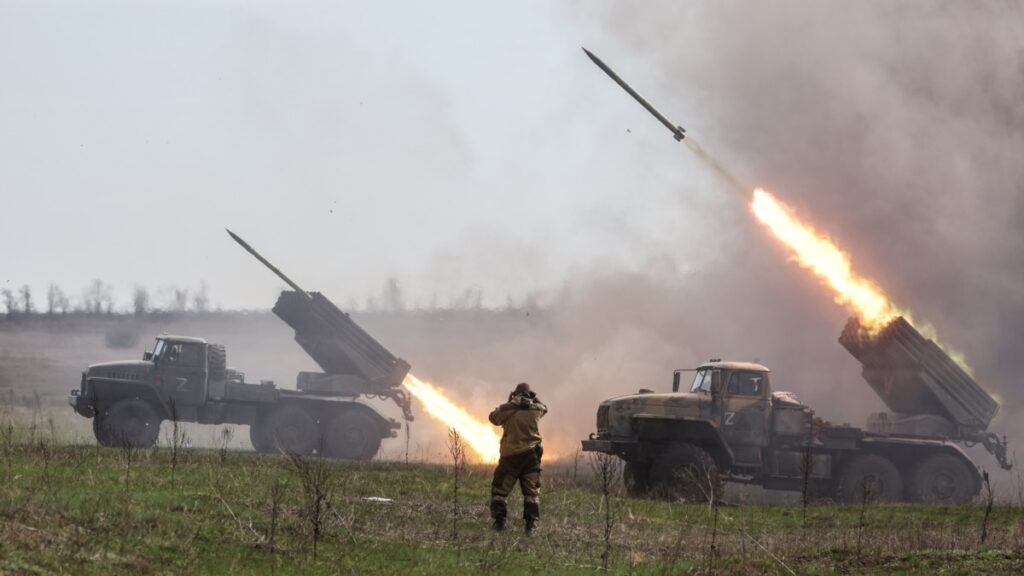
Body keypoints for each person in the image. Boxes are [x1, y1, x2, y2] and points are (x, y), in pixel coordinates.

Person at [488, 382, 547, 534]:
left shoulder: (507, 409)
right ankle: (530, 526)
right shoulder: (536, 409)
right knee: (531, 494)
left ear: (515, 394)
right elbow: (545, 408)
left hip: (510, 458)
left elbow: (493, 418)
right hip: (531, 458)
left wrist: (509, 402)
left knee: (500, 490)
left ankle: (500, 523)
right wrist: (535, 397)